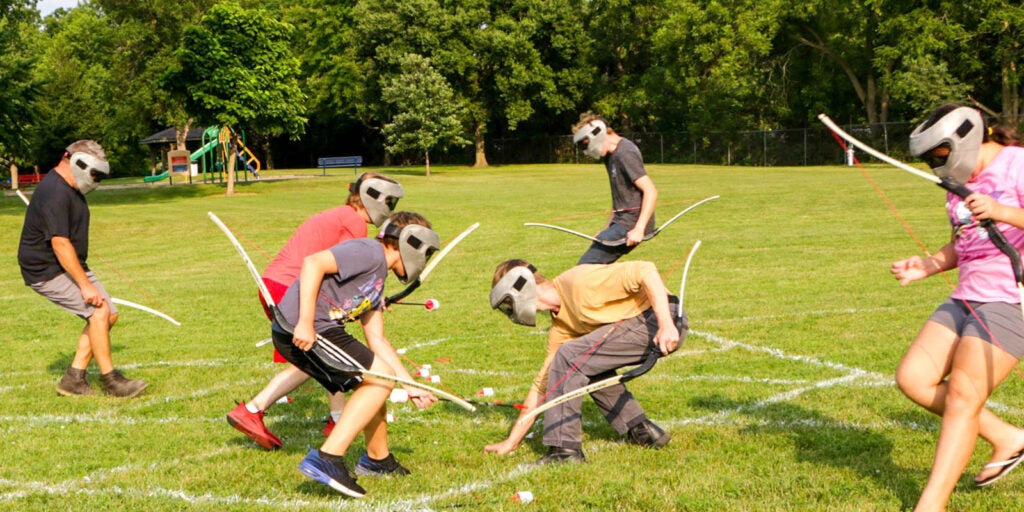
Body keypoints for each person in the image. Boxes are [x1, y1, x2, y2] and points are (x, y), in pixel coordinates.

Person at [892, 104, 1024, 511]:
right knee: (913, 378)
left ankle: (930, 505)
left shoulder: (1018, 164)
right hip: (966, 294)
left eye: (939, 156)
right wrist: (926, 266)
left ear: (964, 140)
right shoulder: (958, 185)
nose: (935, 167)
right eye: (929, 160)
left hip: (1012, 297)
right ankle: (1009, 438)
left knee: (964, 398)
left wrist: (1001, 210)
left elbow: (1001, 220)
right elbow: (964, 242)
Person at [227, 172, 403, 450]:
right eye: (389, 202)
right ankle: (253, 409)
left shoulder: (343, 215)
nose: (390, 209)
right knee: (321, 351)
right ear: (373, 199)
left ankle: (336, 417)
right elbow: (335, 271)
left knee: (321, 356)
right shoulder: (354, 223)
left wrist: (368, 298)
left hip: (278, 284)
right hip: (289, 288)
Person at [273, 211, 440, 498]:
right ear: (411, 243)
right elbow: (313, 263)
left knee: (377, 377)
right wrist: (305, 322)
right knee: (379, 379)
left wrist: (410, 386)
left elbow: (378, 340)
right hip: (306, 328)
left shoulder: (377, 278)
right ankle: (328, 459)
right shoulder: (368, 252)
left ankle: (378, 460)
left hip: (318, 329)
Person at [484, 259, 686, 465]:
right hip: (645, 324)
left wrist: (666, 325)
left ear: (522, 287)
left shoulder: (579, 282)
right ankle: (642, 431)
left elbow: (646, 269)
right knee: (582, 363)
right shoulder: (561, 327)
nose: (510, 310)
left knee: (570, 356)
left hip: (657, 319)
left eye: (509, 303)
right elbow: (544, 384)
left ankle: (565, 451)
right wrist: (512, 441)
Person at [17, 140, 147, 398]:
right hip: (46, 269)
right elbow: (59, 243)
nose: (96, 180)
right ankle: (112, 381)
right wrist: (85, 286)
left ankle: (73, 379)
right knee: (99, 312)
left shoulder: (70, 187)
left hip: (66, 263)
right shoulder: (55, 191)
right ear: (78, 163)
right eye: (95, 174)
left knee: (109, 315)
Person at [571, 113, 659, 264]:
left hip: (632, 222)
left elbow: (650, 191)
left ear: (597, 134)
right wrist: (606, 229)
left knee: (586, 266)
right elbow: (620, 199)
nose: (586, 150)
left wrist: (639, 229)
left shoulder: (625, 152)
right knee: (592, 267)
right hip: (621, 221)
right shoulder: (610, 156)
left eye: (586, 144)